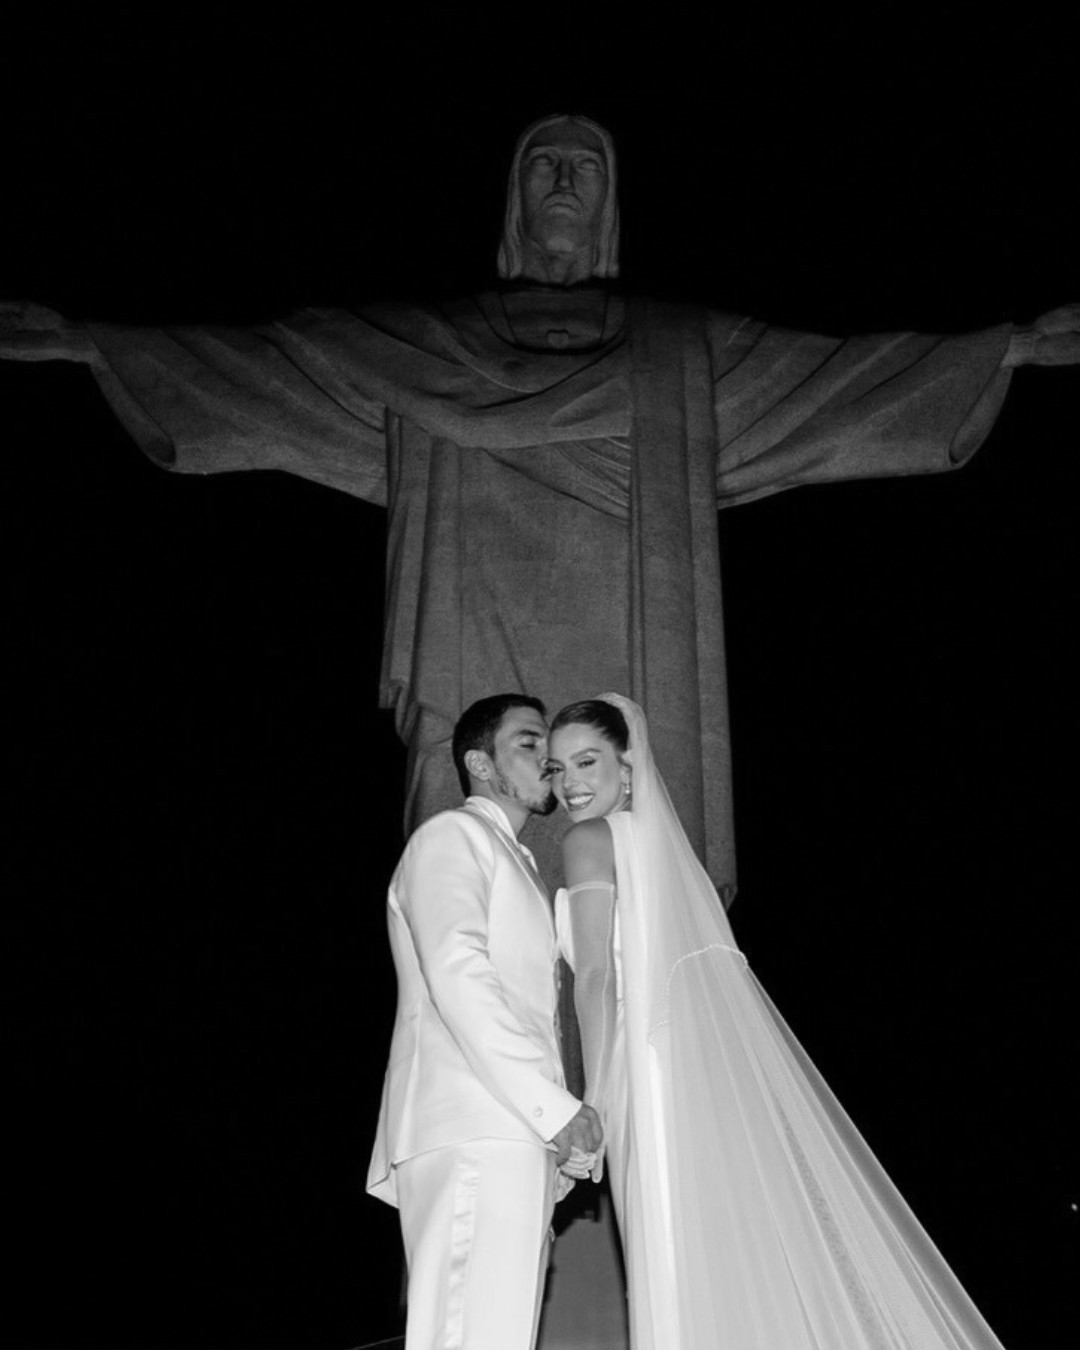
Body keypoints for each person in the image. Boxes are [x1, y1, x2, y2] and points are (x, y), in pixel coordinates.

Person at [2, 113, 1077, 892]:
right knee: (476, 892)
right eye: (544, 166)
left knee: (625, 909)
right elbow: (279, 369)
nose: (563, 180)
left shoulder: (676, 350)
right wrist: (102, 343)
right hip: (470, 639)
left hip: (631, 641)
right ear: (514, 203)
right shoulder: (430, 344)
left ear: (609, 207)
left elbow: (836, 382)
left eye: (585, 169)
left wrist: (1008, 349)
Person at [546, 694, 1007, 1350]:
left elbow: (596, 977)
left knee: (670, 1251)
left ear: (628, 764)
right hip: (696, 1074)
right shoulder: (673, 861)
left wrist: (593, 1101)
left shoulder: (589, 840)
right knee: (717, 1247)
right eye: (558, 769)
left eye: (585, 761)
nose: (569, 783)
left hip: (642, 1078)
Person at [367, 692, 602, 1350]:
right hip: (472, 1123)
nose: (548, 760)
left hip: (509, 1131)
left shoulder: (523, 866)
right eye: (529, 743)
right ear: (481, 763)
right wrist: (550, 1106)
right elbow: (456, 972)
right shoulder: (452, 837)